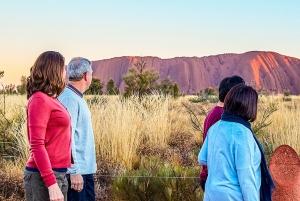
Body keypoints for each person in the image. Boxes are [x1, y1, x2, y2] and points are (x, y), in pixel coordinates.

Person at [198, 84, 275, 201]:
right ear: (250, 106)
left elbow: (202, 159)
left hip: (211, 194)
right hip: (233, 197)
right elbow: (247, 179)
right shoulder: (242, 133)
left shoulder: (214, 128)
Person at [23, 51, 72, 201]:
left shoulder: (51, 99)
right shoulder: (39, 99)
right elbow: (37, 144)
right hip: (43, 177)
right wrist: (51, 184)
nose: (65, 72)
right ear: (54, 70)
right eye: (63, 68)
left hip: (59, 174)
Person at [58, 57, 97, 201]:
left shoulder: (75, 97)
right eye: (91, 73)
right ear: (86, 75)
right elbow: (66, 137)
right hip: (77, 175)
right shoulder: (70, 99)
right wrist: (74, 171)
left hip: (83, 172)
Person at [199, 75, 245, 191]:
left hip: (215, 178)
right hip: (217, 181)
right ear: (232, 94)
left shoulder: (217, 113)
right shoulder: (221, 117)